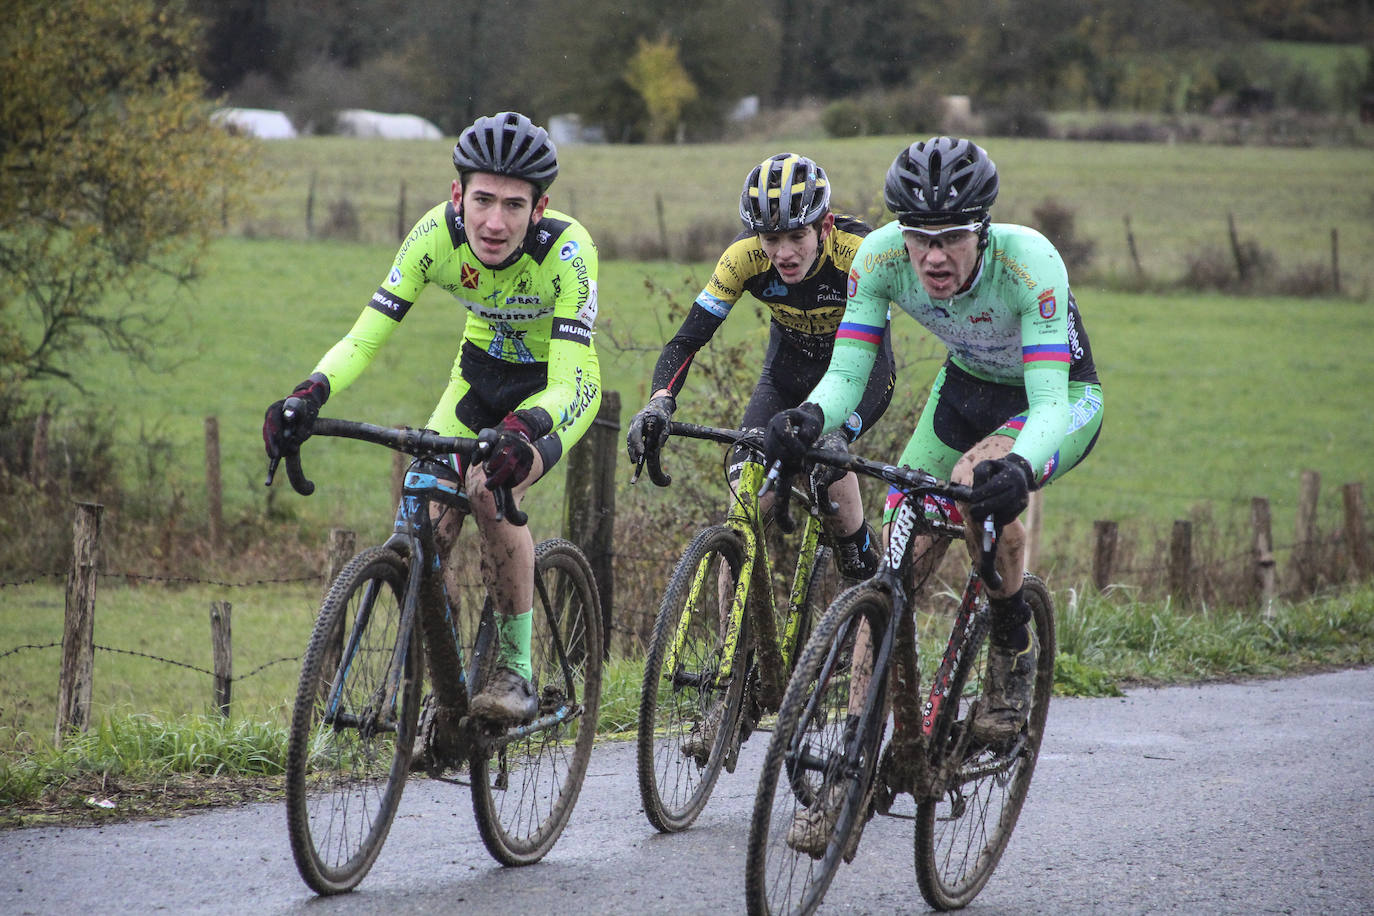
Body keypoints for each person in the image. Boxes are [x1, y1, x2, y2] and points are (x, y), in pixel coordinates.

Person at [765, 136, 1104, 853]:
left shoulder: (1030, 262)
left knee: (979, 489)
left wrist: (1020, 465)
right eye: (920, 237)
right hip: (963, 392)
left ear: (983, 229)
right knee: (891, 570)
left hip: (1055, 400)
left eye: (951, 238)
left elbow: (1049, 401)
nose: (934, 257)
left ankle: (1011, 645)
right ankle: (853, 763)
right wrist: (810, 418)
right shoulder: (879, 258)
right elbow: (848, 372)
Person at [263, 112, 602, 726]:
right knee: (420, 517)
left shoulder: (568, 251)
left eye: (514, 205)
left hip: (554, 394)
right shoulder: (433, 236)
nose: (494, 223)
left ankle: (516, 672)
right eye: (482, 200)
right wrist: (309, 393)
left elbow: (571, 376)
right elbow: (364, 337)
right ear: (456, 195)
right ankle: (446, 695)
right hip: (476, 384)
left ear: (539, 209)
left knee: (488, 491)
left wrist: (525, 429)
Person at [626, 152, 896, 759]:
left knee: (833, 476)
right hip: (785, 377)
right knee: (745, 504)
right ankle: (736, 686)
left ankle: (866, 590)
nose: (783, 252)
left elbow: (882, 360)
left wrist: (842, 430)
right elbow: (686, 341)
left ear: (824, 225)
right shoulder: (743, 259)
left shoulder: (860, 253)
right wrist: (659, 403)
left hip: (857, 376)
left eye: (796, 236)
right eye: (771, 239)